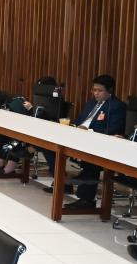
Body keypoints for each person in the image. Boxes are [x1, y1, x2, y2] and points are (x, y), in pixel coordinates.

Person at [50, 75, 127, 210]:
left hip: (98, 143)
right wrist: (73, 127)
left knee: (90, 159)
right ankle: (64, 180)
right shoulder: (91, 103)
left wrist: (89, 131)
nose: (95, 93)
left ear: (110, 90)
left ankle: (86, 199)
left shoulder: (117, 106)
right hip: (80, 136)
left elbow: (113, 130)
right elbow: (80, 120)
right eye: (94, 90)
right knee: (50, 146)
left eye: (99, 90)